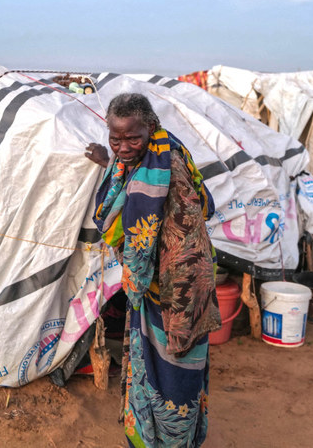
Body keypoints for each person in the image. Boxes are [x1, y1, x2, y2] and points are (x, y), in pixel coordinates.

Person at [86, 93, 221, 447]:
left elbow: (139, 246)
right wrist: (108, 160)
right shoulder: (161, 147)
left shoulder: (161, 168)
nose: (124, 147)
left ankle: (170, 439)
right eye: (115, 139)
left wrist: (134, 282)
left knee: (174, 368)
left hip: (175, 290)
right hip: (186, 285)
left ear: (150, 127)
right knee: (170, 364)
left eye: (133, 138)